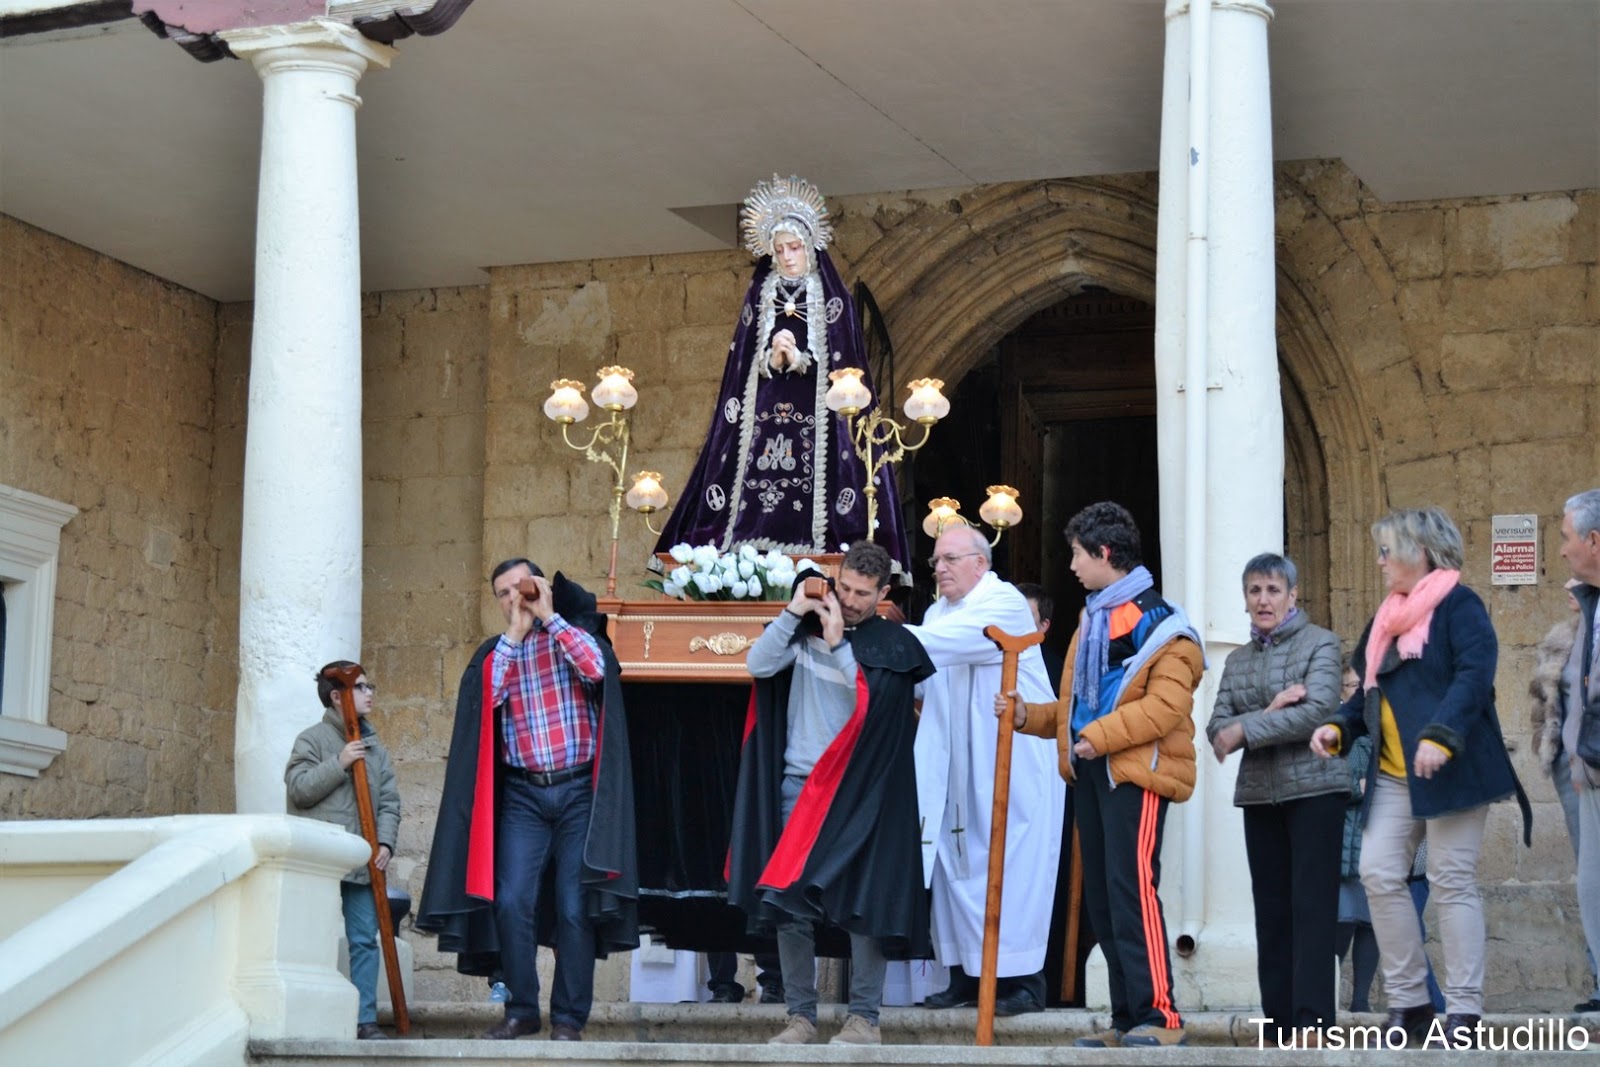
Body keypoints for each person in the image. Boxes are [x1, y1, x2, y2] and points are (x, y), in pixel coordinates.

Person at [1310, 506, 1530, 1048]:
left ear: (1422, 553)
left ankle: (1465, 1012)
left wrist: (1440, 733)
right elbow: (1367, 692)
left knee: (1452, 881)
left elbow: (1475, 675)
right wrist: (1339, 727)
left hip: (1451, 768)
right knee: (1378, 872)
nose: (1380, 561)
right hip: (1394, 773)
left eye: (1389, 551)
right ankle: (1411, 1004)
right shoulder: (1385, 618)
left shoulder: (1460, 605)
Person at [999, 501, 1203, 1048]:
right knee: (1105, 903)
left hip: (1136, 774)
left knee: (1133, 893)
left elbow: (1166, 709)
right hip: (1095, 770)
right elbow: (1078, 709)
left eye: (1077, 554)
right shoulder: (1093, 619)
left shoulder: (1165, 625)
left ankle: (1162, 1017)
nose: (1071, 566)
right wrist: (1027, 716)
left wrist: (1099, 737)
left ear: (1104, 553)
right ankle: (1126, 1019)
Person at [415, 558, 638, 1042]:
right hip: (524, 797)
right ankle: (521, 1010)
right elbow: (486, 701)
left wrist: (549, 617)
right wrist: (515, 636)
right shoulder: (497, 652)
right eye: (503, 593)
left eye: (520, 585)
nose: (513, 596)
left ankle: (568, 1019)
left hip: (579, 792)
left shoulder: (575, 634)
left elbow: (598, 669)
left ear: (538, 585)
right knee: (512, 900)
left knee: (574, 907)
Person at [727, 543, 936, 1045]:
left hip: (859, 795)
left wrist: (841, 644)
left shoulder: (895, 644)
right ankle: (800, 1017)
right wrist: (794, 611)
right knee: (790, 906)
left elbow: (874, 702)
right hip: (799, 787)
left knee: (867, 905)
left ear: (883, 593)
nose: (851, 600)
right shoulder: (805, 631)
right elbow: (758, 664)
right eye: (845, 588)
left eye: (863, 593)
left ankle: (865, 1019)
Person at [651, 174, 910, 571]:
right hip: (763, 416)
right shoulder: (761, 295)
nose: (788, 257)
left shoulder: (832, 297)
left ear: (810, 247)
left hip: (819, 417)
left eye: (795, 247)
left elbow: (845, 360)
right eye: (780, 249)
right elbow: (741, 365)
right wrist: (772, 360)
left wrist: (802, 359)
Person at [909, 523, 1064, 1018]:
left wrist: (878, 633)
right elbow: (926, 672)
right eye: (936, 561)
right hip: (957, 764)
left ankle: (1023, 983)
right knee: (953, 863)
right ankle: (963, 975)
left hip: (1011, 763)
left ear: (981, 563)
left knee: (1011, 868)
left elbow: (948, 645)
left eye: (950, 559)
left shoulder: (1004, 604)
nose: (939, 568)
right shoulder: (936, 613)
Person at [1205, 553, 1346, 1042]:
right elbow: (1216, 729)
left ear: (1292, 595)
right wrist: (1270, 709)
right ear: (1245, 599)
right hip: (1260, 795)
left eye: (1272, 590)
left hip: (1316, 789)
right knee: (1271, 911)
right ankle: (1280, 1022)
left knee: (1312, 907)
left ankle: (1313, 1021)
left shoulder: (1321, 643)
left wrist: (1246, 728)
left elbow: (1318, 711)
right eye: (1254, 590)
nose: (1263, 600)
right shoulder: (1237, 660)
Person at [284, 661, 400, 1041]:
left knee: (365, 940)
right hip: (322, 861)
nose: (370, 693)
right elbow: (299, 790)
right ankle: (306, 1017)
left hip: (362, 861)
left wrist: (385, 842)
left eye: (369, 685)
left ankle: (364, 1020)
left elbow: (389, 802)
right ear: (337, 697)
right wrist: (340, 762)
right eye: (361, 687)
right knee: (310, 941)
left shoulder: (376, 748)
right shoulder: (312, 740)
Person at [1557, 489, 1600, 1014]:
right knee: (1592, 888)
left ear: (1594, 540)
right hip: (1590, 769)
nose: (1563, 550)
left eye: (1568, 538)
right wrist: (1574, 755)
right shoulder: (1592, 605)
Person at [1016, 581, 1064, 693]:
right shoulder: (985, 654)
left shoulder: (1053, 668)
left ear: (1043, 625)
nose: (1016, 619)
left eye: (1026, 615)